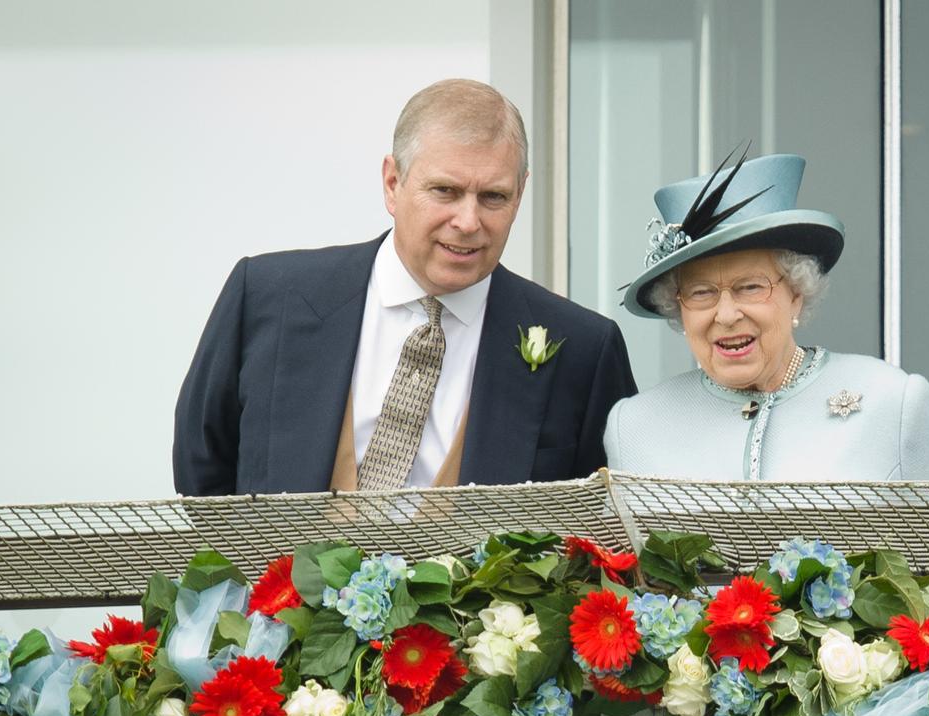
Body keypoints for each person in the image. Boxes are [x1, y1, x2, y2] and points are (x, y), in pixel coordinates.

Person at [174, 79, 637, 495]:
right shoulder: (266, 296)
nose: (468, 221)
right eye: (445, 191)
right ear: (393, 183)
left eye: (493, 196)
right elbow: (202, 468)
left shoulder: (584, 350)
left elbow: (598, 525)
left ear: (520, 194)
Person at [606, 150, 929, 481]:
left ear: (796, 293)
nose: (727, 315)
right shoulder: (634, 427)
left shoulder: (894, 403)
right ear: (678, 308)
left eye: (750, 287)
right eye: (701, 293)